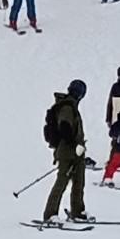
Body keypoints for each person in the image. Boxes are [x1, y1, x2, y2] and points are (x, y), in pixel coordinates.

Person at [41, 80, 90, 225]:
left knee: (79, 182)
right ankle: (50, 214)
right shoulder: (67, 107)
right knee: (62, 182)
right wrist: (75, 145)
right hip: (68, 151)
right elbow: (65, 127)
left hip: (76, 152)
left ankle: (78, 211)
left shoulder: (71, 106)